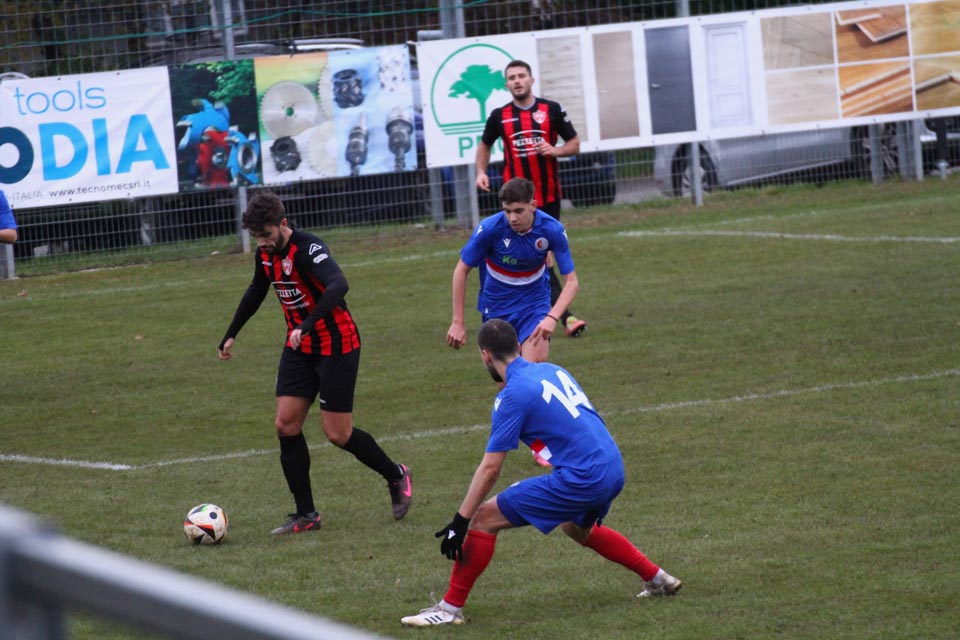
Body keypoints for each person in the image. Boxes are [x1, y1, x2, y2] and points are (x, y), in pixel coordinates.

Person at [402, 319, 682, 627]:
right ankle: (657, 578)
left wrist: (461, 520)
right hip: (612, 466)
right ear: (518, 346)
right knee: (575, 528)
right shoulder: (552, 370)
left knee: (484, 518)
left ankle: (449, 609)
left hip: (584, 476)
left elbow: (491, 468)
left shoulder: (511, 396)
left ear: (485, 355)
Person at [218, 191, 411, 534]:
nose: (262, 243)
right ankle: (306, 514)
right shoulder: (266, 255)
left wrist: (306, 324)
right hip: (299, 347)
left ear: (283, 224)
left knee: (338, 434)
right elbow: (257, 290)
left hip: (337, 344)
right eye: (256, 237)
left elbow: (339, 284)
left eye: (266, 234)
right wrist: (231, 333)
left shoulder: (308, 248)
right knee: (285, 424)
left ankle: (396, 475)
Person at [475, 59, 586, 338]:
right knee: (527, 256)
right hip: (516, 203)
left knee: (543, 256)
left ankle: (543, 314)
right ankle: (563, 317)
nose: (517, 81)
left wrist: (555, 150)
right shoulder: (499, 116)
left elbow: (574, 144)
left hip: (546, 197)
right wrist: (480, 172)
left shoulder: (552, 110)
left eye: (521, 76)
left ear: (531, 80)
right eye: (512, 77)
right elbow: (485, 145)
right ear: (506, 84)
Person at [446, 176, 579, 366]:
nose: (512, 218)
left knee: (533, 369)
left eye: (518, 211)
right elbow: (461, 270)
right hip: (496, 308)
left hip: (534, 306)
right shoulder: (490, 228)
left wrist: (552, 317)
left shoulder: (552, 230)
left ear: (533, 205)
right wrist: (458, 322)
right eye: (507, 211)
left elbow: (572, 282)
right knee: (507, 378)